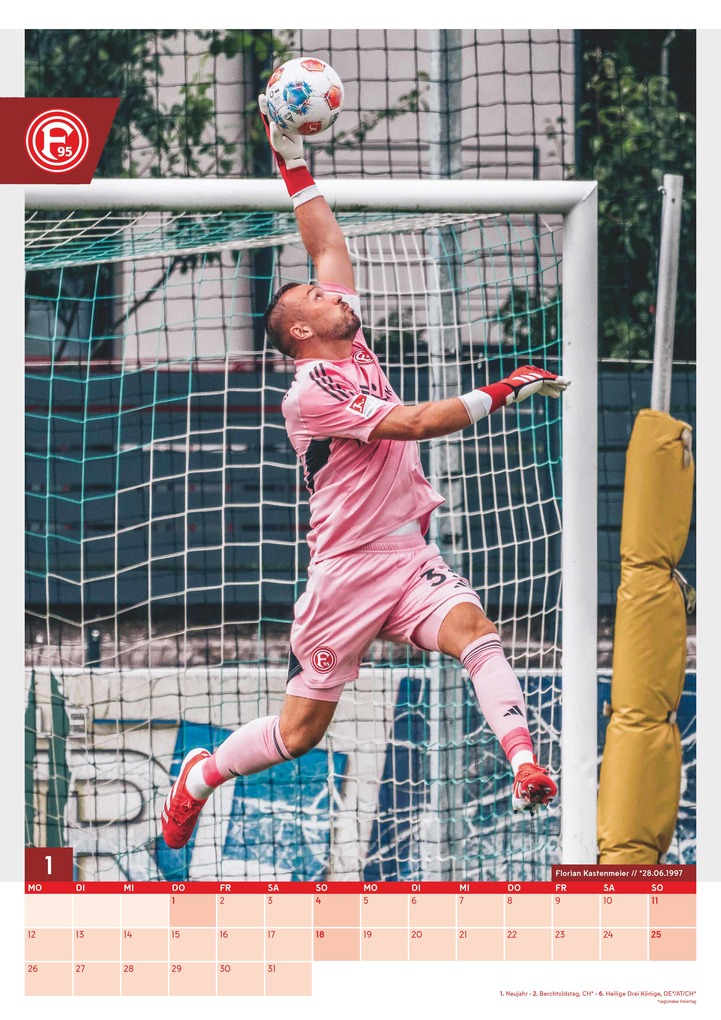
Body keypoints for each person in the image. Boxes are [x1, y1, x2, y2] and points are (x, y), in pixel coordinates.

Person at [161, 94, 569, 851]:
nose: (334, 290)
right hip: (344, 574)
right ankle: (201, 776)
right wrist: (502, 389)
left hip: (407, 558)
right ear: (303, 330)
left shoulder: (346, 342)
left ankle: (524, 766)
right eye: (319, 298)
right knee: (300, 733)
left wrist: (290, 156)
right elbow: (415, 422)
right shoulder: (313, 391)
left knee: (477, 632)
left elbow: (325, 246)